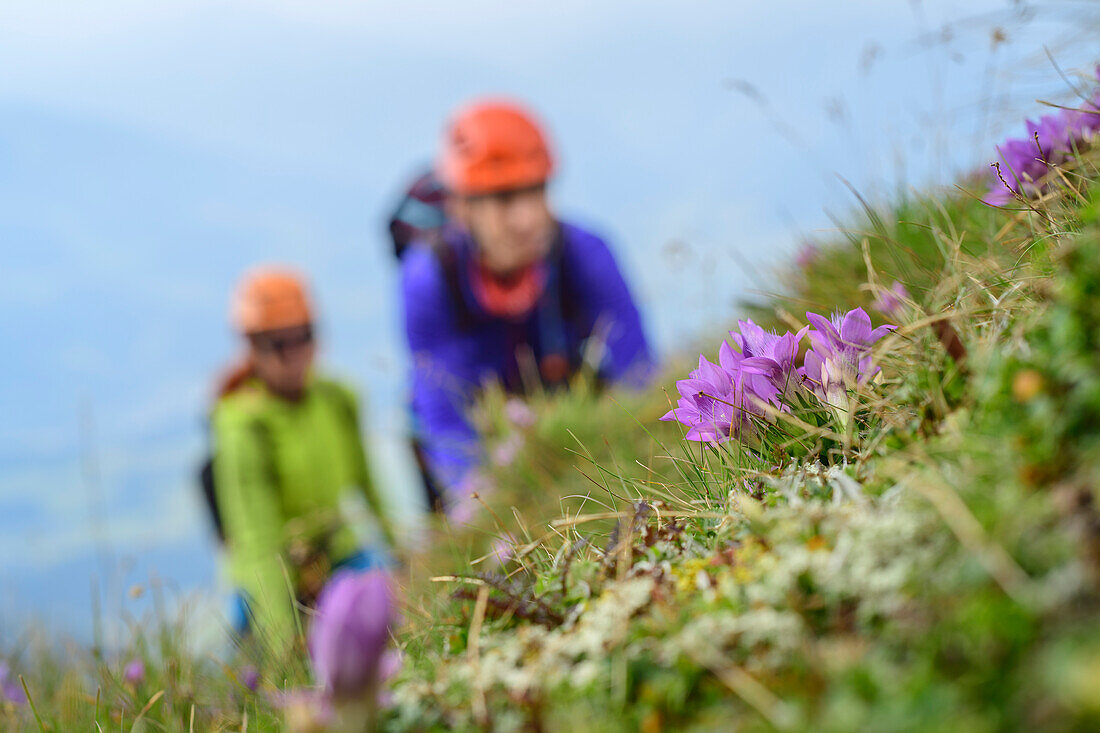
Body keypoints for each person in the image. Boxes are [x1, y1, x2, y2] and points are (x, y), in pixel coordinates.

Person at [400, 99, 654, 519]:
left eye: (535, 191)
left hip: (574, 428)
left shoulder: (586, 257)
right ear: (463, 208)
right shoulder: (429, 282)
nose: (526, 218)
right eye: (502, 199)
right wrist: (482, 507)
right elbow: (444, 417)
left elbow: (639, 378)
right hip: (480, 438)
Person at [210, 267, 393, 642]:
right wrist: (283, 644)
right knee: (255, 671)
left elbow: (370, 489)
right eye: (279, 343)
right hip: (268, 580)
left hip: (337, 558)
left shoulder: (337, 400)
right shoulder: (243, 426)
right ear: (253, 348)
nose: (295, 354)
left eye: (304, 337)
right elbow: (258, 543)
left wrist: (405, 555)